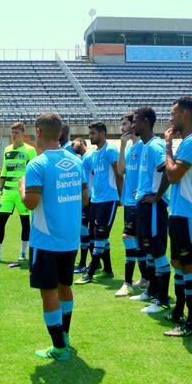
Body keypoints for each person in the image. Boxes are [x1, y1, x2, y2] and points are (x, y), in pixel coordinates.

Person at [20, 113, 88, 361]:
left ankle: (59, 347)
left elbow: (30, 202)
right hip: (70, 239)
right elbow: (85, 199)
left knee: (48, 291)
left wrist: (21, 186)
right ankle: (65, 335)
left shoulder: (37, 165)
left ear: (38, 132)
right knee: (65, 286)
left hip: (46, 240)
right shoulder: (76, 161)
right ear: (59, 133)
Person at [162, 97, 192, 337]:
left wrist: (168, 146)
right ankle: (179, 312)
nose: (170, 118)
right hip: (180, 213)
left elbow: (172, 176)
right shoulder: (188, 143)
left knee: (189, 267)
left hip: (189, 215)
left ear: (186, 115)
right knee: (178, 264)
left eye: (174, 113)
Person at [129, 107, 172, 314]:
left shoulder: (156, 146)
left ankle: (162, 299)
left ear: (145, 122)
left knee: (157, 250)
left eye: (135, 121)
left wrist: (157, 196)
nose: (132, 125)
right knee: (148, 249)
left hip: (154, 205)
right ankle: (151, 291)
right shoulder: (145, 146)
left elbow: (168, 172)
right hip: (144, 204)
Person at [75, 121, 122, 284]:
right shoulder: (93, 154)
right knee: (96, 235)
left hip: (109, 199)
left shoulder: (110, 150)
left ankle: (90, 272)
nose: (90, 136)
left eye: (93, 133)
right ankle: (107, 270)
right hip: (96, 199)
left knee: (101, 235)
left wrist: (120, 196)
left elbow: (118, 174)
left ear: (102, 133)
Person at [114, 112, 149, 297]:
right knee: (131, 239)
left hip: (140, 201)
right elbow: (120, 171)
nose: (122, 127)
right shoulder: (128, 148)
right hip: (128, 201)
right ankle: (141, 279)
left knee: (134, 239)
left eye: (125, 123)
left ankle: (131, 282)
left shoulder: (145, 147)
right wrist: (122, 145)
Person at [0, 122, 37, 263]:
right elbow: (4, 170)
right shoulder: (7, 150)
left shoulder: (30, 150)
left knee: (25, 222)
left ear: (23, 134)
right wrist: (0, 189)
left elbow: (33, 171)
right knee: (0, 221)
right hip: (8, 192)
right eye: (12, 132)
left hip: (22, 192)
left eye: (16, 132)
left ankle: (23, 252)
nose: (14, 135)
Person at [71, 137, 92, 273]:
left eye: (75, 142)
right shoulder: (81, 158)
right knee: (86, 230)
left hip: (89, 197)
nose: (73, 145)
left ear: (83, 142)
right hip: (84, 197)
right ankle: (95, 262)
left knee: (84, 229)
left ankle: (83, 263)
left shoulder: (89, 156)